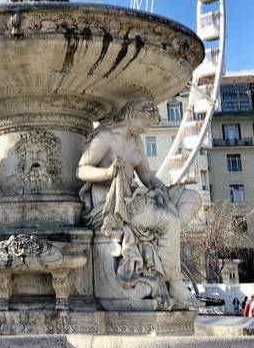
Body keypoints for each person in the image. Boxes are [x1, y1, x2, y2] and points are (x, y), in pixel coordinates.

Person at [77, 97, 201, 310]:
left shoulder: (136, 142)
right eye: (145, 123)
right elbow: (81, 170)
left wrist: (166, 191)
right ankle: (175, 283)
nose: (146, 129)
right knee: (170, 221)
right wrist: (107, 172)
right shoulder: (105, 137)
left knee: (192, 199)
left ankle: (158, 264)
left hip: (135, 198)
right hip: (113, 204)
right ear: (132, 115)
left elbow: (147, 177)